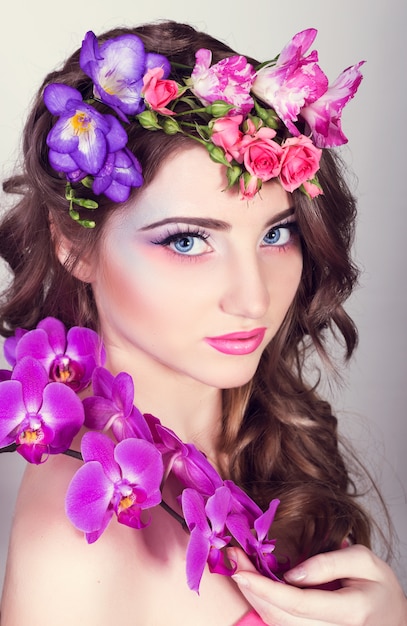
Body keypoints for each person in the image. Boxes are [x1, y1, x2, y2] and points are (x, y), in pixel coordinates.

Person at [0, 20, 405, 626]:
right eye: (188, 241)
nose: (253, 300)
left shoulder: (264, 429)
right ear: (74, 246)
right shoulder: (76, 550)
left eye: (276, 233)